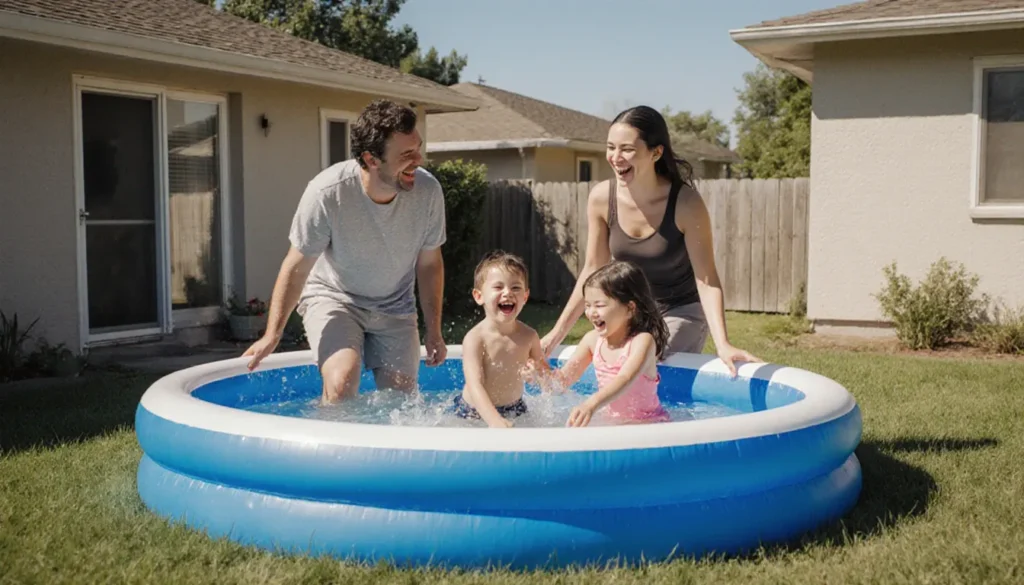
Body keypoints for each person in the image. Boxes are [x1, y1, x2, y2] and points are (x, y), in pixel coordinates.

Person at [242, 99, 447, 404]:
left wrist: (434, 331)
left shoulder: (428, 192)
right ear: (371, 159)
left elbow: (430, 264)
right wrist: (273, 334)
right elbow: (297, 265)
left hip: (395, 304)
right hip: (334, 297)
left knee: (402, 400)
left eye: (418, 148)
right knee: (341, 381)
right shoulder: (328, 193)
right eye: (406, 155)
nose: (419, 160)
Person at [539, 105, 759, 376]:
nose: (615, 157)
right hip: (629, 311)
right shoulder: (601, 198)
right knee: (602, 360)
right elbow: (593, 268)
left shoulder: (685, 204)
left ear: (656, 153)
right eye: (611, 147)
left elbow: (706, 279)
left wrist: (722, 343)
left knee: (647, 363)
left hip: (681, 312)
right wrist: (555, 335)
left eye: (627, 149)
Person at [525, 261, 670, 427]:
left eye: (599, 305)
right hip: (611, 422)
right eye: (587, 305)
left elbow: (625, 378)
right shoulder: (592, 341)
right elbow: (562, 382)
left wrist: (591, 404)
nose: (591, 313)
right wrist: (539, 373)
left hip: (648, 424)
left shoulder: (642, 341)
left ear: (630, 308)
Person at [455, 250, 555, 428]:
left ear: (525, 296)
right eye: (498, 287)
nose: (507, 293)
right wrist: (494, 420)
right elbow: (475, 384)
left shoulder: (529, 336)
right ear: (479, 296)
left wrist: (536, 373)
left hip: (515, 408)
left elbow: (547, 382)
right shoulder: (475, 339)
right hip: (474, 410)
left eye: (515, 288)